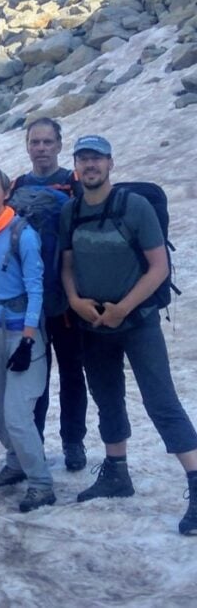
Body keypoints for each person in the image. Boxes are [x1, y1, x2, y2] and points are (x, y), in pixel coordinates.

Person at [60, 135, 197, 536]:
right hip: (93, 322)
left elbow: (159, 267)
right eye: (84, 159)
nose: (91, 166)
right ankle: (116, 472)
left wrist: (124, 307)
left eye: (97, 159)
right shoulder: (72, 211)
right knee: (107, 398)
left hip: (137, 322)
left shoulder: (135, 207)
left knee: (161, 400)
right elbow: (67, 264)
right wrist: (74, 300)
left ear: (110, 164)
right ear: (76, 166)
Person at [0, 167, 55, 512]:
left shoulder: (23, 234)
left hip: (23, 331)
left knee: (18, 414)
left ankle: (41, 483)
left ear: (6, 193)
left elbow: (36, 288)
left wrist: (29, 338)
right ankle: (17, 461)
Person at [11, 116, 88, 472]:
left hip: (67, 300)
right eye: (35, 142)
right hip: (31, 303)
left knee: (72, 372)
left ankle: (73, 442)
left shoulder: (77, 185)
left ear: (59, 145)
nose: (41, 148)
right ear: (27, 146)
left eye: (47, 142)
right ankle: (34, 442)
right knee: (34, 377)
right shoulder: (15, 187)